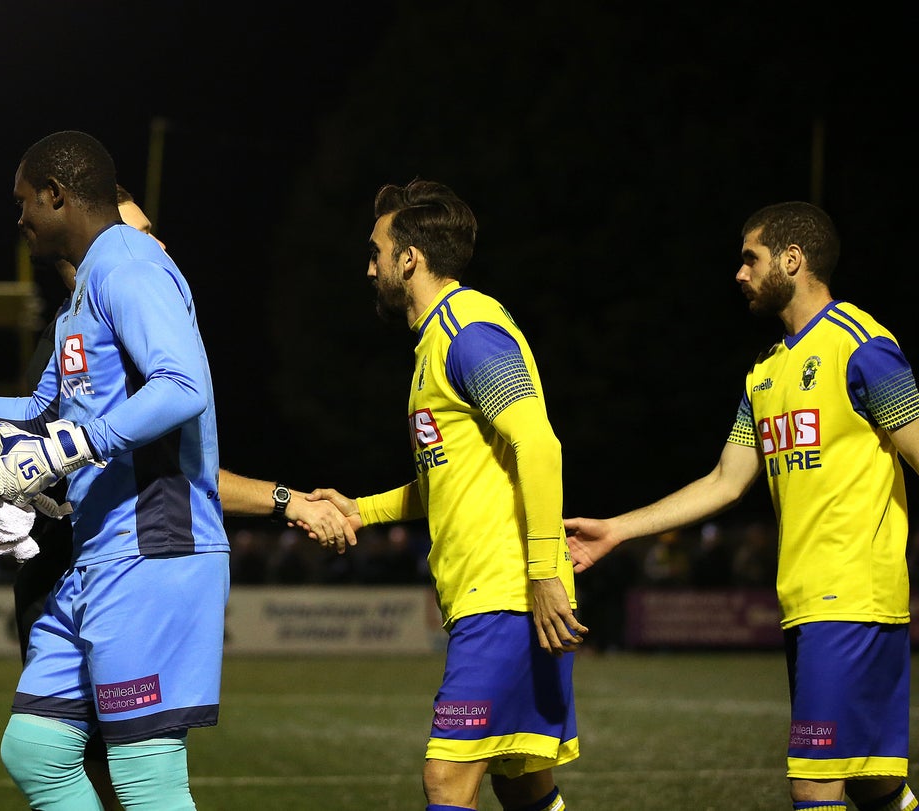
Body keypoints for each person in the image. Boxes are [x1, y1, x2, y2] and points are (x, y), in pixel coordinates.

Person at [0, 129, 261, 810]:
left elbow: (183, 384)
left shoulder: (128, 264)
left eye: (24, 201)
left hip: (151, 548)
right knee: (35, 749)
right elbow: (39, 413)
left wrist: (71, 447)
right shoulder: (83, 292)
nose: (20, 218)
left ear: (56, 195)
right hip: (98, 558)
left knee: (145, 778)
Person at [565, 201, 919, 811]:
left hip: (853, 597)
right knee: (876, 783)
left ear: (793, 259)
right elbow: (726, 481)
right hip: (805, 603)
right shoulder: (765, 372)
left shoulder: (861, 347)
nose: (740, 273)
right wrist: (618, 530)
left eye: (750, 258)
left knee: (815, 781)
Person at [10, 182, 353, 810]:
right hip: (73, 577)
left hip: (132, 569)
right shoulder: (70, 345)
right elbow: (37, 451)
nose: (156, 246)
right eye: (138, 235)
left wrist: (287, 500)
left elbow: (184, 472)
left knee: (129, 774)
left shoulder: (138, 329)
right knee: (61, 758)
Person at [311, 179, 586, 811]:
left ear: (409, 259)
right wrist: (360, 510)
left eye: (378, 249)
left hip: (509, 597)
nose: (371, 264)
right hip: (495, 596)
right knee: (522, 782)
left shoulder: (468, 333)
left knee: (447, 780)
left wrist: (543, 571)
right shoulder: (437, 341)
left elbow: (539, 446)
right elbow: (446, 478)